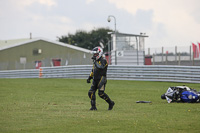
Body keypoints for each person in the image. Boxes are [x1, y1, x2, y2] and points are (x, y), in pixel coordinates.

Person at [87, 46, 115, 110]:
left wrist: (95, 61)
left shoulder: (104, 60)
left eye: (96, 54)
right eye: (94, 54)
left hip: (102, 79)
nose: (94, 55)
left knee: (101, 94)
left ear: (100, 53)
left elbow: (101, 67)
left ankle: (111, 103)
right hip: (95, 79)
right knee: (91, 92)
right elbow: (93, 70)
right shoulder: (95, 61)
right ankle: (93, 107)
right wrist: (89, 77)